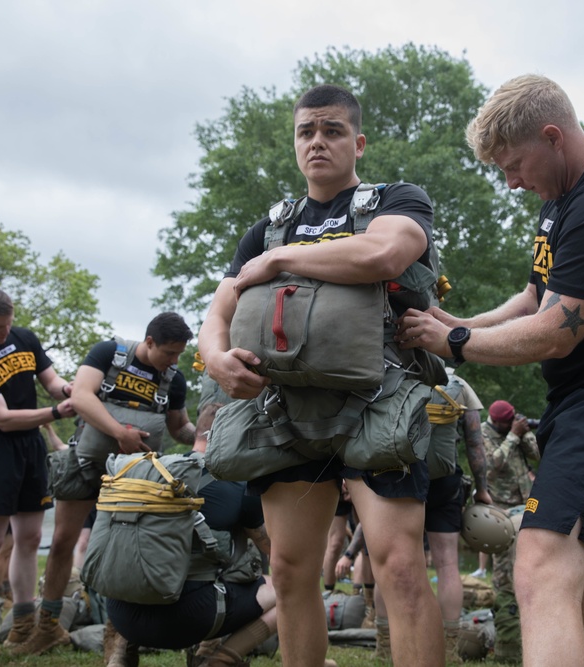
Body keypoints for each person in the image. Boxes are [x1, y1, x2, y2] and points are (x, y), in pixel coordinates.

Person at [397, 74, 584, 667]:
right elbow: (533, 299)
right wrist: (455, 319)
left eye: (516, 164)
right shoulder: (560, 203)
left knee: (539, 571)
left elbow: (555, 332)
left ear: (553, 136)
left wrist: (454, 342)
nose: (511, 182)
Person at [199, 84, 444, 667]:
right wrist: (215, 358)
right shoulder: (266, 229)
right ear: (294, 143)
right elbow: (219, 311)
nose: (317, 142)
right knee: (288, 572)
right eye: (306, 131)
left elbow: (383, 257)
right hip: (286, 413)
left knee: (402, 569)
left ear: (357, 142)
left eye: (332, 130)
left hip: (380, 404)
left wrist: (281, 262)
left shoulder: (397, 201)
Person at [15, 312, 197, 656]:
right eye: (169, 353)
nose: (173, 360)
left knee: (127, 551)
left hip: (133, 479)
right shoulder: (107, 354)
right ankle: (47, 627)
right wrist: (119, 433)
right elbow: (82, 397)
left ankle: (124, 633)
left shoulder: (175, 379)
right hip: (85, 466)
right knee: (62, 543)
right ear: (149, 342)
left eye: (179, 354)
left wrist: (206, 435)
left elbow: (179, 428)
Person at [0, 286, 76, 643]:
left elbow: (51, 381)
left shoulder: (24, 338)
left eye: (9, 324)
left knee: (31, 537)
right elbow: (2, 418)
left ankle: (23, 622)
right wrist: (54, 413)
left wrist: (70, 391)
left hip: (30, 448)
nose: (6, 333)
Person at [104, 473, 275, 667]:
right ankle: (219, 660)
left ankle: (121, 652)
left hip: (122, 616)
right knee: (288, 590)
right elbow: (275, 552)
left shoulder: (145, 474)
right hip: (189, 621)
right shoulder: (238, 485)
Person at [424, 368, 492, 662]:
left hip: (399, 478)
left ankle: (387, 642)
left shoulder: (394, 370)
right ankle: (449, 646)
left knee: (401, 563)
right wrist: (482, 489)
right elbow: (475, 443)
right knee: (448, 564)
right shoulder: (458, 383)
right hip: (444, 482)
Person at [481, 399, 538, 663]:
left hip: (528, 503)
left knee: (536, 562)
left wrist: (525, 435)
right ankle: (509, 647)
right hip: (500, 509)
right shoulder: (483, 433)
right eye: (509, 422)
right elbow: (492, 465)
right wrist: (513, 436)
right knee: (504, 572)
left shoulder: (516, 431)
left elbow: (539, 455)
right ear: (499, 422)